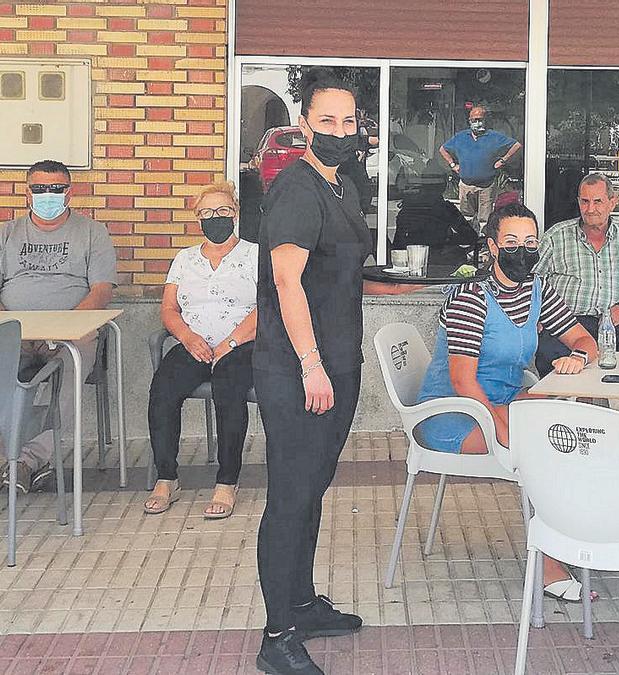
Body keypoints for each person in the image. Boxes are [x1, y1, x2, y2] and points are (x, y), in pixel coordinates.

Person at [253, 68, 415, 675]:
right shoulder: (296, 188)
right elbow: (288, 282)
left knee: (313, 491)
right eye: (327, 121)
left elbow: (339, 270)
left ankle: (301, 604)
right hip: (299, 370)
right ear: (304, 126)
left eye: (350, 121)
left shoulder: (344, 184)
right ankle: (277, 638)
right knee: (290, 498)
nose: (340, 131)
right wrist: (312, 365)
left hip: (335, 365)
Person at [415, 201, 598, 601]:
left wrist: (577, 357)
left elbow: (585, 340)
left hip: (508, 403)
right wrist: (504, 431)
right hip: (456, 412)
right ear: (493, 247)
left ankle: (581, 536)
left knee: (575, 431)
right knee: (545, 447)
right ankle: (549, 563)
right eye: (512, 242)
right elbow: (463, 381)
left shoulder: (539, 291)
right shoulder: (471, 297)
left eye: (531, 242)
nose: (523, 251)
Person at [0, 160, 117, 495]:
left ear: (69, 192)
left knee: (69, 375)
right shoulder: (6, 233)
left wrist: (63, 330)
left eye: (55, 189)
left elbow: (101, 290)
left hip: (71, 335)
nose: (47, 195)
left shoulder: (93, 232)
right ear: (27, 193)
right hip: (14, 333)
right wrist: (13, 330)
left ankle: (28, 460)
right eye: (40, 189)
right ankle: (5, 459)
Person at [144, 182, 258, 519]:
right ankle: (166, 478)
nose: (215, 217)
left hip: (240, 345)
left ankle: (227, 481)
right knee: (162, 392)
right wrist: (187, 337)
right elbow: (168, 309)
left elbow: (268, 306)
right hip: (194, 343)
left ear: (235, 214)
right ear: (197, 219)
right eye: (207, 212)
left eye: (223, 210)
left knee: (228, 390)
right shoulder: (184, 260)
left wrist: (231, 342)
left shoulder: (255, 255)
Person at [533, 173, 619, 376]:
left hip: (617, 322)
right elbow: (533, 281)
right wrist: (536, 316)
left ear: (612, 202)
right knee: (559, 380)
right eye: (585, 201)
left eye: (598, 201)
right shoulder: (556, 236)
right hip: (566, 325)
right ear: (578, 202)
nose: (590, 209)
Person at [439, 106, 522, 232]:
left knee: (485, 221)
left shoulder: (494, 137)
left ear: (485, 120)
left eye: (480, 119)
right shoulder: (461, 137)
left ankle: (484, 246)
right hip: (465, 185)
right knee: (465, 219)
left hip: (486, 186)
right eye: (474, 120)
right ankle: (467, 245)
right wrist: (452, 165)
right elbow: (443, 149)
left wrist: (503, 160)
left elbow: (516, 145)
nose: (477, 123)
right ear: (469, 121)